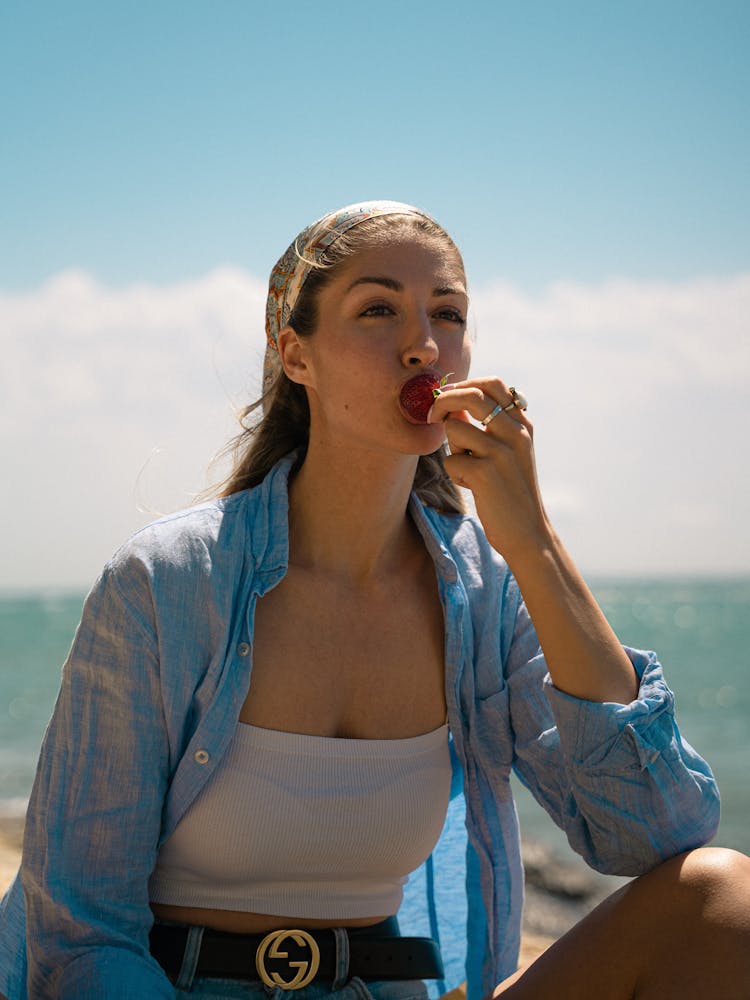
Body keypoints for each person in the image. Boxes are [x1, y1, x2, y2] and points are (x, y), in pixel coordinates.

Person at [1, 200, 749, 1000]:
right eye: (379, 309)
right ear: (295, 354)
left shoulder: (482, 587)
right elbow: (81, 928)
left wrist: (532, 542)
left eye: (448, 314)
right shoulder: (167, 580)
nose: (424, 344)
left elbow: (654, 830)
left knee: (719, 898)